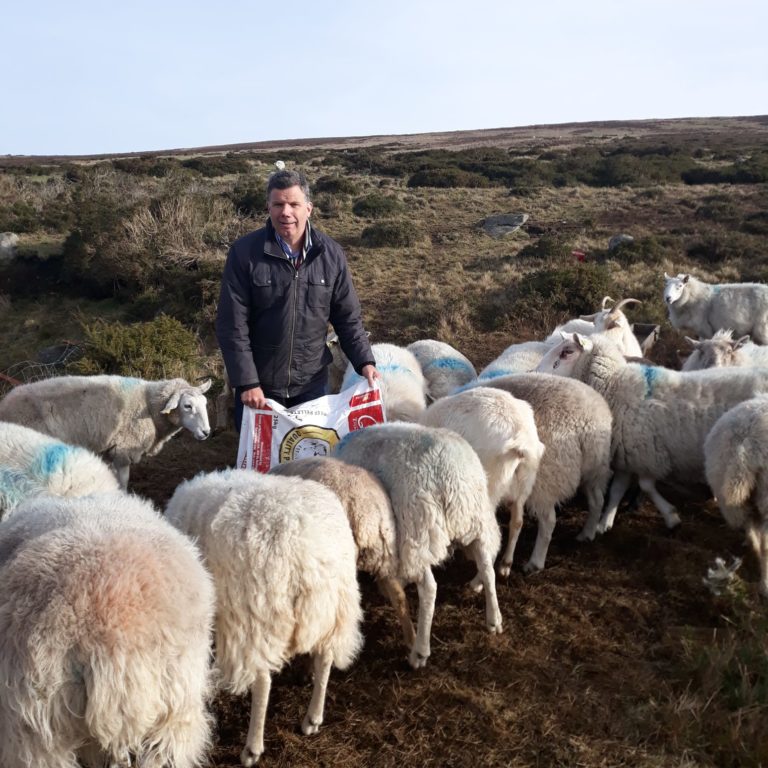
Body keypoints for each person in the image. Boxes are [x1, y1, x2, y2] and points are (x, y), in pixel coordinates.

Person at [216, 169, 379, 430]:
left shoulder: (331, 255)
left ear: (309, 209)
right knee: (260, 465)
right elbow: (231, 323)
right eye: (278, 204)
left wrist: (365, 362)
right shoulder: (245, 253)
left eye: (294, 204)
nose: (286, 212)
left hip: (312, 386)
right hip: (261, 387)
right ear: (268, 207)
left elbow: (348, 318)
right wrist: (246, 382)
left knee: (309, 460)